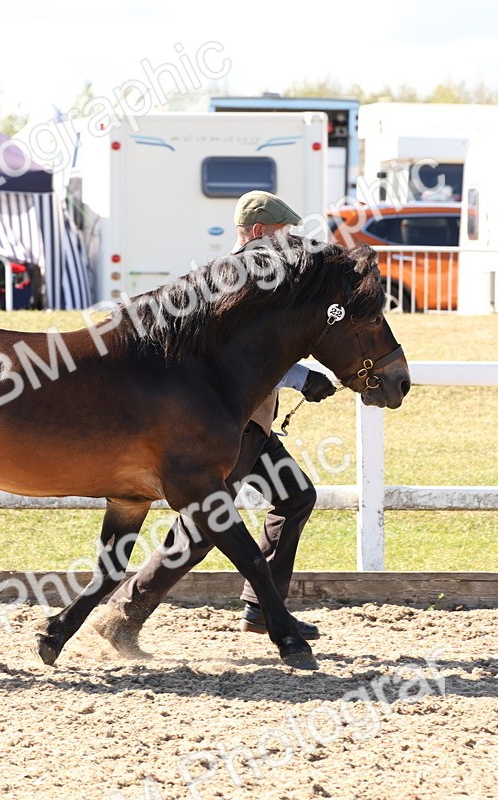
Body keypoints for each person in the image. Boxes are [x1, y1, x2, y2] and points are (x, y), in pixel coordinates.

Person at [94, 190, 337, 657]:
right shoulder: (233, 283)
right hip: (226, 429)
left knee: (295, 496)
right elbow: (250, 357)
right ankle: (122, 615)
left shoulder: (267, 281)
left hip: (256, 428)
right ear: (260, 233)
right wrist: (302, 376)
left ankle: (263, 608)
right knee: (203, 527)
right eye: (286, 237)